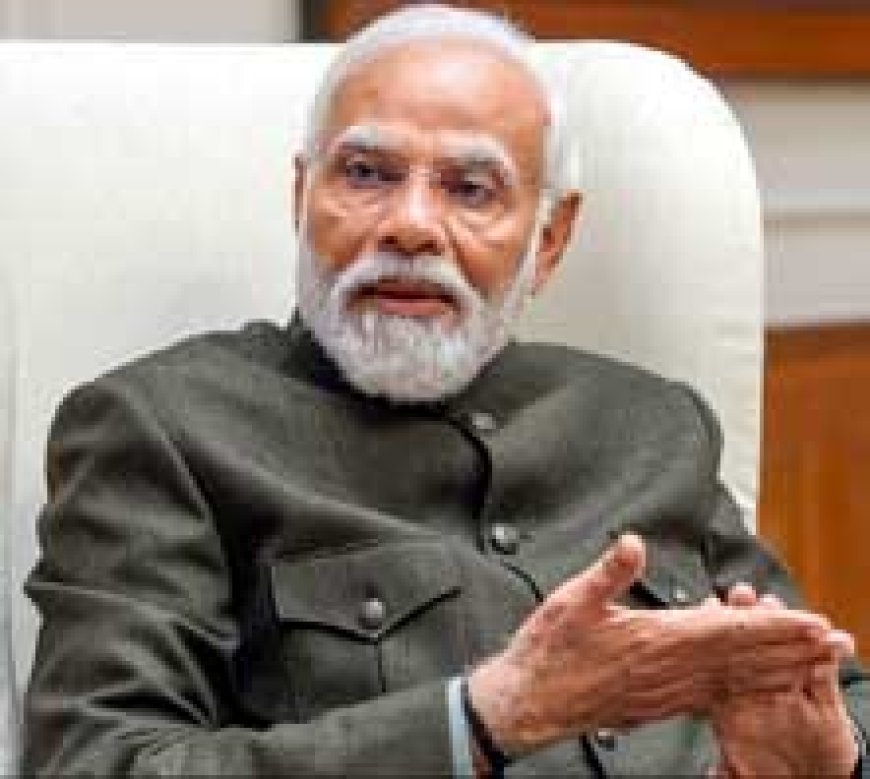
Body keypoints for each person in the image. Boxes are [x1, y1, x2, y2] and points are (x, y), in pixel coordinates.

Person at [22, 4, 868, 776]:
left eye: (470, 189)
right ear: (302, 197)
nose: (410, 225)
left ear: (548, 240)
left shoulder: (656, 425)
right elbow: (98, 763)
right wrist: (482, 720)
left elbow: (830, 684)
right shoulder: (163, 427)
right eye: (366, 173)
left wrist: (835, 756)